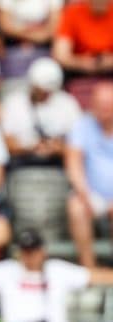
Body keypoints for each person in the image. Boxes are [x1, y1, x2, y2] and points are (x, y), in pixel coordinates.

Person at [0, 228, 113, 322]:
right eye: (26, 251)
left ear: (42, 251)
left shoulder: (57, 270)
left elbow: (97, 277)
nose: (30, 255)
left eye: (33, 250)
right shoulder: (7, 270)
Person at [1, 57, 81, 168]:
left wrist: (57, 148)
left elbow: (79, 144)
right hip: (21, 163)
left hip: (59, 164)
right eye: (41, 90)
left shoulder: (68, 103)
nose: (45, 94)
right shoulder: (14, 103)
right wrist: (30, 148)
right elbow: (6, 143)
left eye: (48, 91)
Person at [66, 83, 113, 268]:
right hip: (92, 195)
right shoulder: (82, 125)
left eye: (108, 104)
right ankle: (89, 270)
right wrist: (85, 195)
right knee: (76, 207)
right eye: (100, 104)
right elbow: (73, 163)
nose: (104, 109)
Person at [53, 0, 113, 82]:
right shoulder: (73, 12)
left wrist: (109, 61)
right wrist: (81, 63)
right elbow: (61, 55)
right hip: (77, 73)